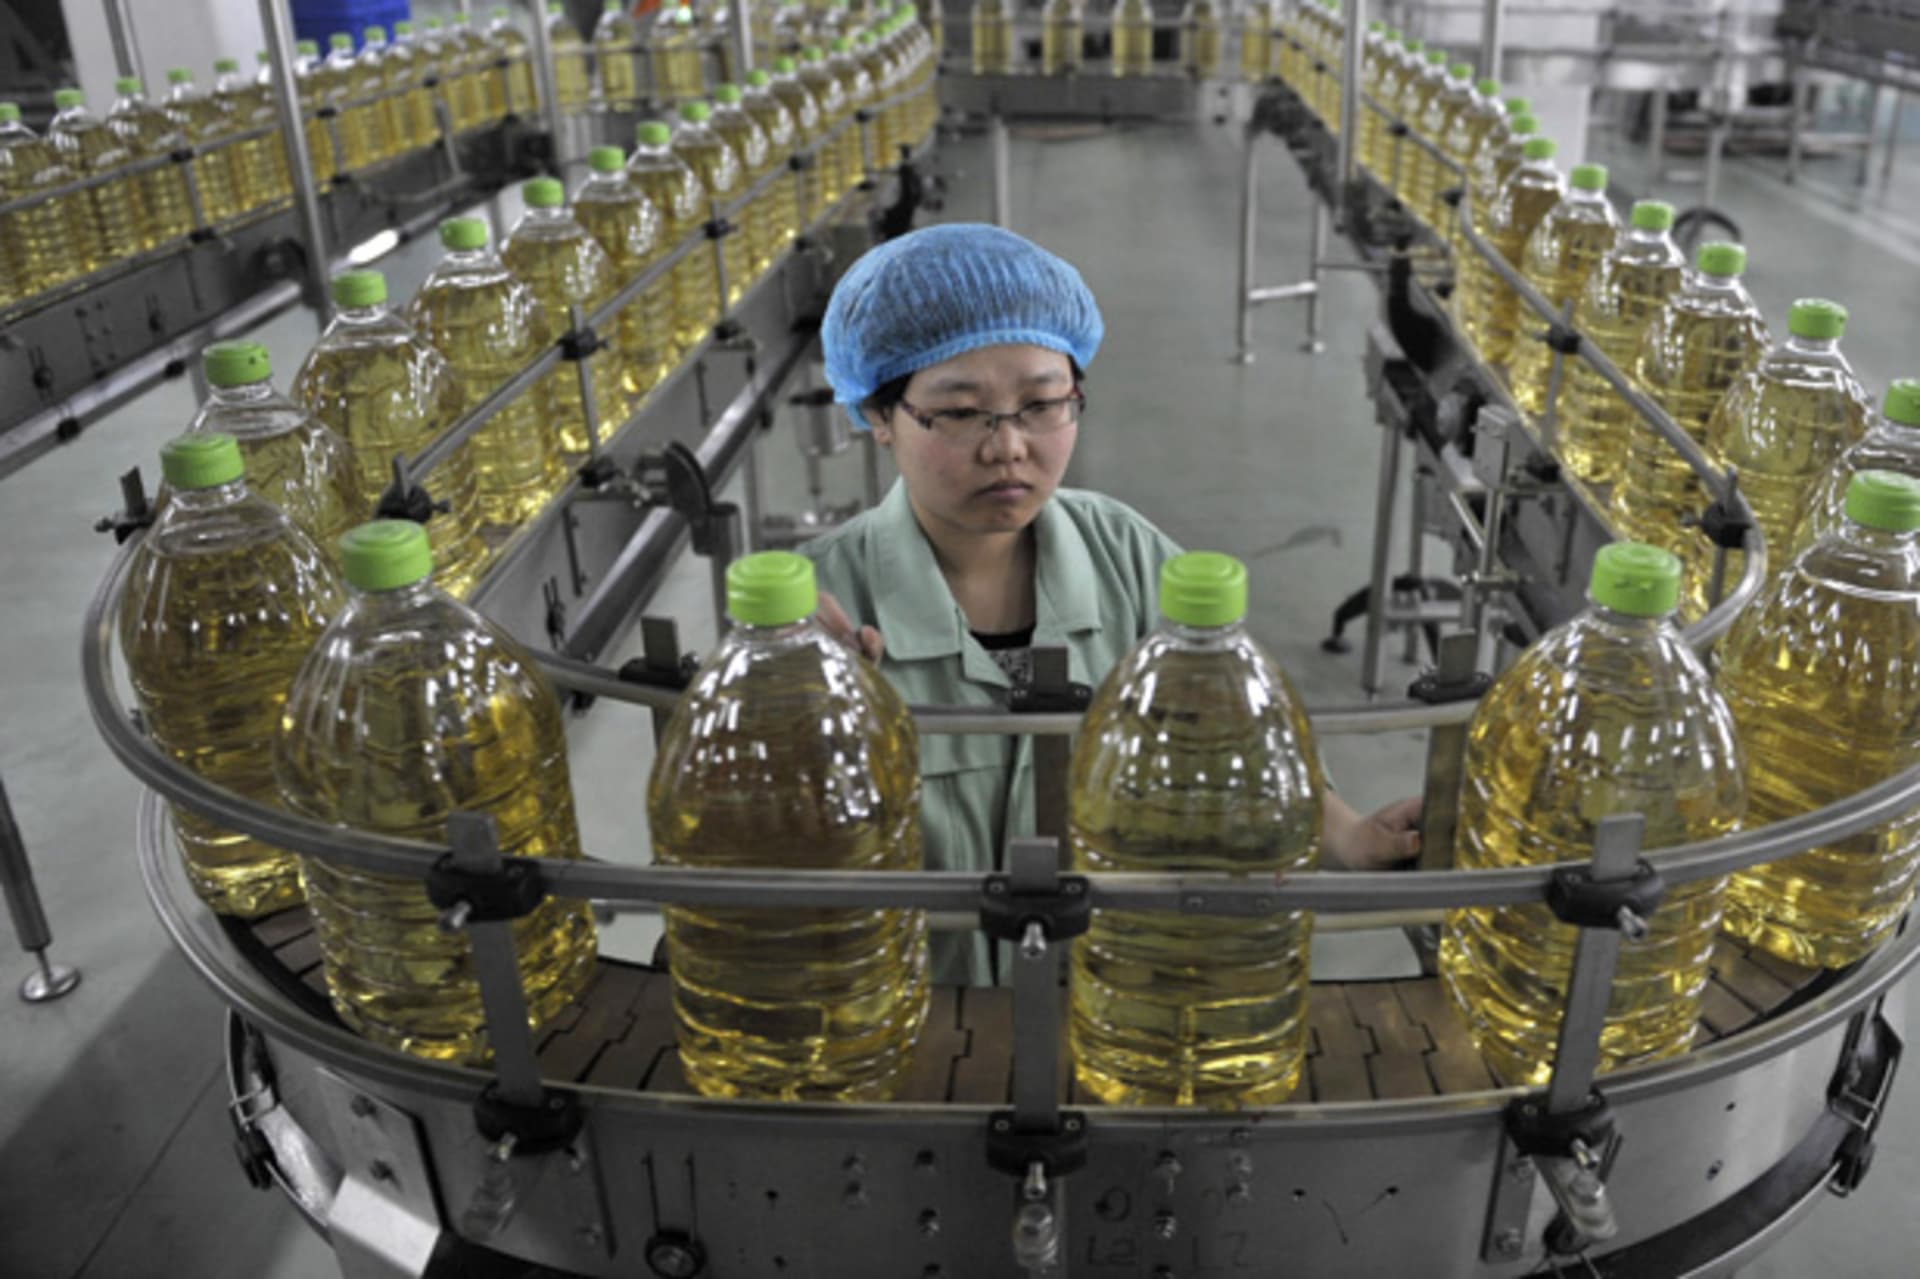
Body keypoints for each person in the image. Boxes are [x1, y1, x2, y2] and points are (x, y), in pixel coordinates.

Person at [799, 224, 1421, 984]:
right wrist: (806, 723)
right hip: (920, 1018)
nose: (1008, 447)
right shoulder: (815, 609)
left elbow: (1239, 742)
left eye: (1041, 404)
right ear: (877, 415)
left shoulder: (1128, 557)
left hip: (1114, 1008)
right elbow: (773, 858)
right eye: (960, 413)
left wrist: (1351, 837)